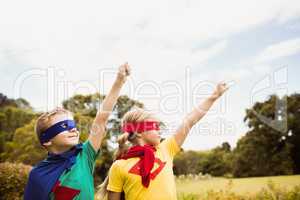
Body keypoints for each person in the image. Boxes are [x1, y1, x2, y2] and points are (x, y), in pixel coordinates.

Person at [98, 81, 229, 200]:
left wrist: (214, 96)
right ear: (138, 133)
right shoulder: (119, 166)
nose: (159, 130)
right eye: (155, 127)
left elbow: (189, 121)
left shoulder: (166, 149)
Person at [24, 62, 131, 200]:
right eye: (63, 126)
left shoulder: (85, 155)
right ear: (47, 140)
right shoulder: (37, 175)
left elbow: (101, 118)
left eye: (72, 124)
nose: (73, 129)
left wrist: (119, 81)